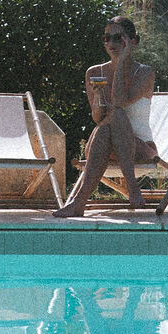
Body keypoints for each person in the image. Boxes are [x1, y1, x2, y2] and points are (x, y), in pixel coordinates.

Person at [53, 16, 157, 217]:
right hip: (104, 149)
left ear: (132, 41)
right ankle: (133, 189)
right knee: (108, 124)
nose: (111, 43)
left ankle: (79, 203)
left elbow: (120, 102)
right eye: (107, 38)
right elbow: (98, 117)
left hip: (141, 148)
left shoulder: (145, 73)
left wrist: (119, 64)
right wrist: (99, 96)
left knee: (116, 114)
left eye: (118, 38)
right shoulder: (94, 72)